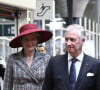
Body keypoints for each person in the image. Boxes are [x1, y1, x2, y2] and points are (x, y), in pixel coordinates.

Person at [42, 24, 100, 90]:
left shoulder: (95, 64)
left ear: (83, 41)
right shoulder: (54, 62)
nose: (68, 43)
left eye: (72, 40)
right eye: (66, 39)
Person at [3, 23, 52, 90]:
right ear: (21, 42)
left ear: (37, 41)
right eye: (26, 39)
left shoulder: (46, 59)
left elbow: (51, 83)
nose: (29, 42)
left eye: (33, 39)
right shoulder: (12, 59)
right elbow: (7, 84)